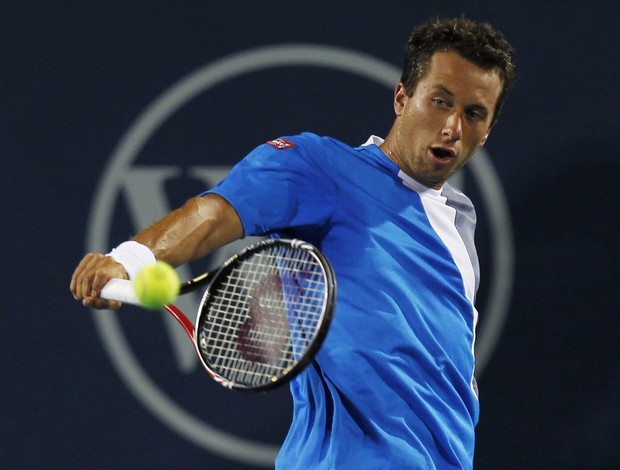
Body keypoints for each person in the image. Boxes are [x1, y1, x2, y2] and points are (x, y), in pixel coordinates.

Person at [71, 16, 516, 469]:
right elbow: (214, 213)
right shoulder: (319, 167)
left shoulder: (460, 222)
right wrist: (131, 258)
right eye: (440, 102)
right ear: (402, 98)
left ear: (488, 129)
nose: (452, 127)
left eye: (473, 113)